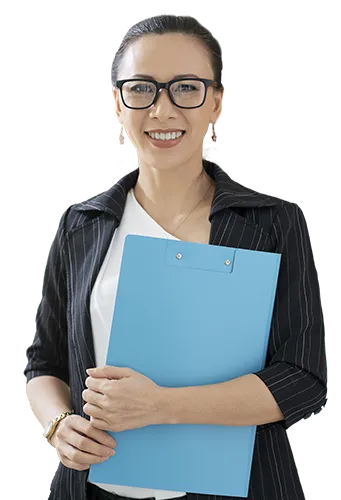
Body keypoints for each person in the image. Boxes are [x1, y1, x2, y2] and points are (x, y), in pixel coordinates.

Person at [24, 14, 327, 500]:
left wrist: (161, 405)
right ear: (119, 105)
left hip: (238, 488)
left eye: (185, 88)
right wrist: (58, 425)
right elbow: (45, 362)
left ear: (216, 103)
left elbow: (304, 378)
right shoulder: (83, 224)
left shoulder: (271, 223)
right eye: (141, 89)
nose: (162, 109)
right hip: (95, 487)